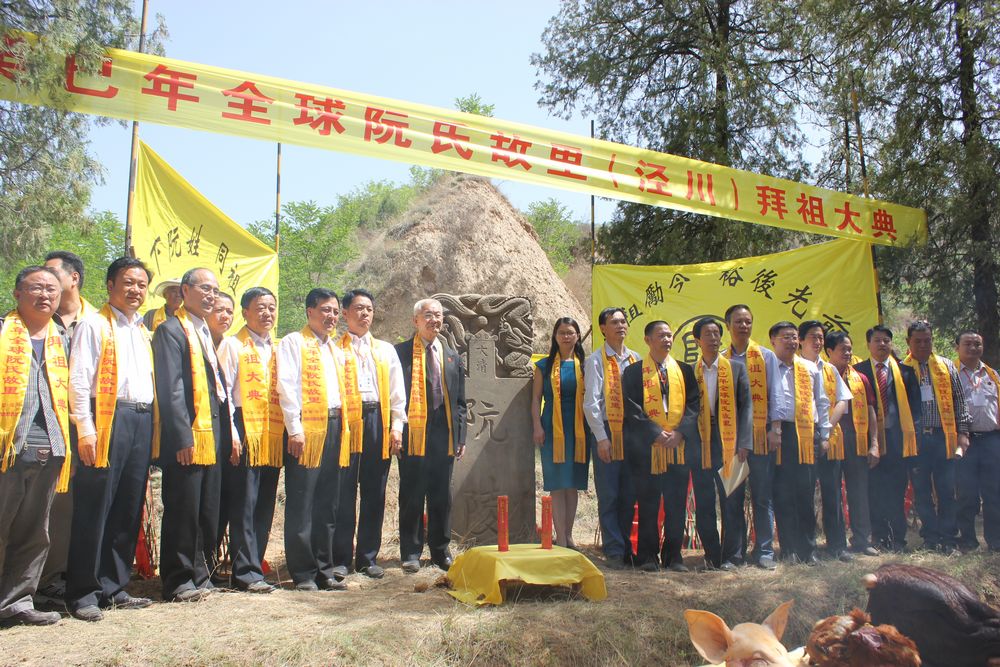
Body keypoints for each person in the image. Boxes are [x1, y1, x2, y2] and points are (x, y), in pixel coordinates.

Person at [64, 257, 155, 622]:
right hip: (107, 418)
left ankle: (113, 586)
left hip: (141, 418)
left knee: (128, 506)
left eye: (141, 284)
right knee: (95, 505)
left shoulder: (141, 329)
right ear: (110, 285)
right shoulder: (94, 324)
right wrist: (84, 427)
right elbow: (79, 379)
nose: (136, 290)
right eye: (128, 283)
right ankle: (83, 591)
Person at [153, 267, 235, 601]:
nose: (211, 296)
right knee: (183, 507)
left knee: (206, 507)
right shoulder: (171, 331)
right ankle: (177, 578)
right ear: (185, 290)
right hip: (188, 435)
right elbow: (171, 390)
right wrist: (182, 437)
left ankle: (201, 575)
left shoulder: (203, 331)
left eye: (215, 290)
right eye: (204, 288)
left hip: (211, 433)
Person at [0, 266, 71, 627]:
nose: (45, 296)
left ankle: (17, 602)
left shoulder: (62, 337)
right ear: (16, 294)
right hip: (7, 444)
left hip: (51, 445)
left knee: (35, 529)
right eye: (36, 288)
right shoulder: (3, 331)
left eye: (51, 290)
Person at [277, 288, 351, 591]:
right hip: (306, 431)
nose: (331, 316)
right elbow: (287, 386)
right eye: (324, 310)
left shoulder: (335, 348)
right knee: (302, 502)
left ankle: (325, 568)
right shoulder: (295, 342)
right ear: (309, 312)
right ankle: (304, 572)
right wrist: (294, 428)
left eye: (334, 311)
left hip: (335, 427)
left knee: (327, 502)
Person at [332, 289, 405, 579]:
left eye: (369, 309)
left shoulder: (386, 350)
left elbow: (398, 393)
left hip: (378, 419)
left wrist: (396, 427)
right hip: (346, 421)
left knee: (374, 491)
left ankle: (367, 557)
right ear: (345, 313)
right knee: (344, 490)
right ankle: (340, 558)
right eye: (359, 309)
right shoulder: (334, 348)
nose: (365, 314)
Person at [36, 250, 94, 609]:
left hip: (89, 428)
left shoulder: (96, 321)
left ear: (73, 279)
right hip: (44, 427)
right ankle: (39, 581)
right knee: (45, 507)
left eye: (52, 274)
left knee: (77, 508)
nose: (45, 282)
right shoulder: (34, 321)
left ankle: (73, 576)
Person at [217, 287, 281, 593]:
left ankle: (255, 563)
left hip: (272, 428)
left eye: (271, 307)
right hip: (243, 425)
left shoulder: (278, 348)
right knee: (245, 500)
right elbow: (225, 393)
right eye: (260, 308)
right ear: (245, 312)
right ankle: (243, 571)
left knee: (265, 501)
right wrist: (232, 432)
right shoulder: (232, 345)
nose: (267, 313)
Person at [621, 320, 700, 571]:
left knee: (676, 503)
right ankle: (647, 556)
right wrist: (655, 433)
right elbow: (631, 408)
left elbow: (693, 405)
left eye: (669, 335)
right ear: (647, 340)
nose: (666, 340)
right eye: (660, 335)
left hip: (678, 448)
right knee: (648, 503)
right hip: (647, 450)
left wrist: (679, 433)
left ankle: (673, 556)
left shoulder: (684, 371)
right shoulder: (634, 373)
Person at [395, 298, 467, 572]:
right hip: (413, 433)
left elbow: (460, 401)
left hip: (443, 434)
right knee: (412, 493)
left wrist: (460, 437)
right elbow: (394, 397)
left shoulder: (451, 355)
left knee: (441, 495)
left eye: (438, 315)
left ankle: (440, 550)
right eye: (428, 315)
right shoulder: (400, 353)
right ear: (416, 320)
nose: (434, 320)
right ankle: (411, 552)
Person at [902, 321, 970, 554]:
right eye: (918, 341)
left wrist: (963, 433)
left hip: (944, 437)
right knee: (921, 492)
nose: (923, 345)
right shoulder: (902, 368)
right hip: (917, 440)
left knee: (946, 490)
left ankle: (948, 537)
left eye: (927, 340)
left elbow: (960, 401)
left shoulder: (946, 365)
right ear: (908, 342)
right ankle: (930, 537)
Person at [767, 321, 831, 565]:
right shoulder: (766, 366)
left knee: (805, 492)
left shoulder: (809, 368)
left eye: (794, 337)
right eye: (786, 337)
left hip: (806, 433)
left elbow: (822, 401)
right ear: (773, 340)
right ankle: (788, 548)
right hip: (779, 433)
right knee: (782, 493)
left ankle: (808, 549)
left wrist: (824, 435)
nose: (792, 342)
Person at [691, 317, 752, 570]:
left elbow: (746, 407)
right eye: (708, 334)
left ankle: (733, 556)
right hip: (701, 442)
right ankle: (712, 555)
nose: (714, 338)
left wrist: (744, 442)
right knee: (704, 501)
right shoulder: (688, 371)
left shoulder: (736, 368)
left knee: (733, 500)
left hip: (731, 439)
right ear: (697, 340)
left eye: (717, 333)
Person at [854, 325, 921, 553]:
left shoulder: (905, 372)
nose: (882, 344)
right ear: (868, 344)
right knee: (873, 492)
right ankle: (879, 538)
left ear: (891, 344)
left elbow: (915, 408)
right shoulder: (858, 371)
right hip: (870, 442)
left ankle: (897, 540)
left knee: (896, 491)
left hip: (897, 442)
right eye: (877, 340)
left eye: (886, 341)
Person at [583, 307, 640, 569]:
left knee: (630, 493)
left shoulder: (635, 359)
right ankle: (614, 550)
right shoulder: (596, 360)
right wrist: (602, 437)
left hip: (632, 432)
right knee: (610, 493)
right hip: (606, 430)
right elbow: (591, 404)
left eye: (623, 321)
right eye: (613, 322)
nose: (620, 325)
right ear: (603, 329)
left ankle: (627, 546)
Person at [723, 304, 777, 569]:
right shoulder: (723, 359)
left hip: (761, 439)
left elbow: (775, 395)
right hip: (731, 442)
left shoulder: (766, 356)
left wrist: (774, 429)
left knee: (762, 497)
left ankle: (765, 550)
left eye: (748, 321)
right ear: (728, 326)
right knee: (732, 497)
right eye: (738, 321)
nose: (744, 326)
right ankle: (735, 554)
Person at [532, 317, 591, 549]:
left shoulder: (586, 365)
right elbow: (536, 399)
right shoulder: (543, 366)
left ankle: (569, 534)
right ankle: (561, 538)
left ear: (577, 336)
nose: (566, 336)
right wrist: (537, 425)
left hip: (579, 429)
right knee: (557, 483)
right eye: (562, 333)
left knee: (573, 483)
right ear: (555, 337)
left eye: (571, 332)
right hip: (552, 428)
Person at [798, 321, 852, 562]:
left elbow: (843, 400)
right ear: (800, 340)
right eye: (812, 337)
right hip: (801, 440)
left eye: (820, 337)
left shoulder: (829, 369)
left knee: (833, 494)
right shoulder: (795, 366)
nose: (818, 341)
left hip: (827, 440)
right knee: (804, 494)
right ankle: (807, 548)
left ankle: (837, 545)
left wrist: (825, 428)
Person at [824, 331, 880, 557]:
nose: (848, 353)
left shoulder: (861, 378)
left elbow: (870, 410)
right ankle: (836, 543)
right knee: (832, 492)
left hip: (856, 439)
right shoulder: (819, 374)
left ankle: (862, 539)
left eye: (850, 348)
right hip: (830, 439)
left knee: (858, 491)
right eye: (842, 349)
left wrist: (874, 443)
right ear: (829, 351)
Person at [954, 330, 1000, 552]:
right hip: (965, 440)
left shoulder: (992, 374)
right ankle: (968, 540)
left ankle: (995, 540)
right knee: (967, 493)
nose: (973, 348)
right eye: (968, 344)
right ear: (957, 348)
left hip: (992, 439)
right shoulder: (950, 374)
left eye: (977, 344)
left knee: (994, 492)